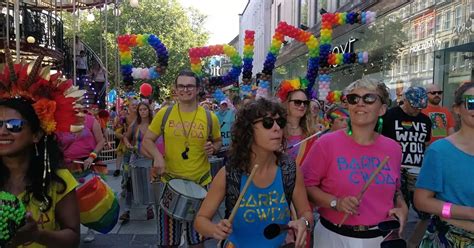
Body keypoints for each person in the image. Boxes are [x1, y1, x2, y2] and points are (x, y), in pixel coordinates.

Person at [194, 97, 314, 248]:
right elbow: (200, 220)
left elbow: (307, 214)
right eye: (268, 123)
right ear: (248, 130)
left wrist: (304, 222)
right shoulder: (230, 174)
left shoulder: (289, 169)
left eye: (280, 122)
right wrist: (215, 229)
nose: (277, 128)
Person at [302, 78, 408, 247]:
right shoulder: (326, 143)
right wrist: (336, 202)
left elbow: (395, 191)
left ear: (382, 109)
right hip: (334, 237)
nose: (360, 103)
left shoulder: (393, 149)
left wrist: (402, 206)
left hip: (379, 238)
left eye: (369, 98)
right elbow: (305, 187)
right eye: (353, 99)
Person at [0, 52, 82, 247]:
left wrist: (37, 235)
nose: (3, 131)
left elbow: (72, 237)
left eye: (14, 125)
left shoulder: (58, 180)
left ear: (36, 134)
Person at [141, 70, 221, 247]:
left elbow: (217, 142)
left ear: (198, 89)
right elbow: (147, 140)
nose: (185, 89)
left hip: (200, 185)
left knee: (197, 241)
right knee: (168, 242)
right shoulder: (164, 114)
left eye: (190, 86)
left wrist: (213, 148)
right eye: (181, 86)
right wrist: (157, 157)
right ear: (175, 89)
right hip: (170, 184)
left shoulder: (210, 117)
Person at [414, 82, 474, 247]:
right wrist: (467, 213)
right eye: (472, 103)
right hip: (450, 239)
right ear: (457, 109)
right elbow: (422, 201)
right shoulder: (440, 151)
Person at [381, 86, 432, 247]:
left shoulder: (425, 120)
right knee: (398, 211)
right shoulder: (390, 115)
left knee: (426, 212)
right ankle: (396, 241)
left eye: (420, 107)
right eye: (414, 106)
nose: (417, 110)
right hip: (395, 169)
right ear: (406, 100)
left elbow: (425, 143)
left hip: (417, 170)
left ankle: (413, 243)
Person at [56, 111, 105, 243]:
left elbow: (101, 141)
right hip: (66, 167)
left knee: (88, 198)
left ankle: (90, 228)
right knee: (68, 200)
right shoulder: (59, 121)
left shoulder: (90, 120)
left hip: (87, 165)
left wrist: (92, 156)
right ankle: (69, 229)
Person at [119, 102, 155, 222]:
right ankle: (127, 210)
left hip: (150, 159)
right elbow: (125, 136)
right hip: (135, 157)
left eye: (145, 109)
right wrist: (128, 144)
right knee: (130, 184)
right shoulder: (135, 124)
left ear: (149, 111)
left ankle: (149, 207)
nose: (143, 112)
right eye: (141, 110)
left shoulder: (154, 124)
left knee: (149, 184)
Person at [276, 79, 317, 166]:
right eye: (297, 102)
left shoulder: (311, 133)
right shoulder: (276, 129)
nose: (302, 105)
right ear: (287, 104)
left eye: (305, 102)